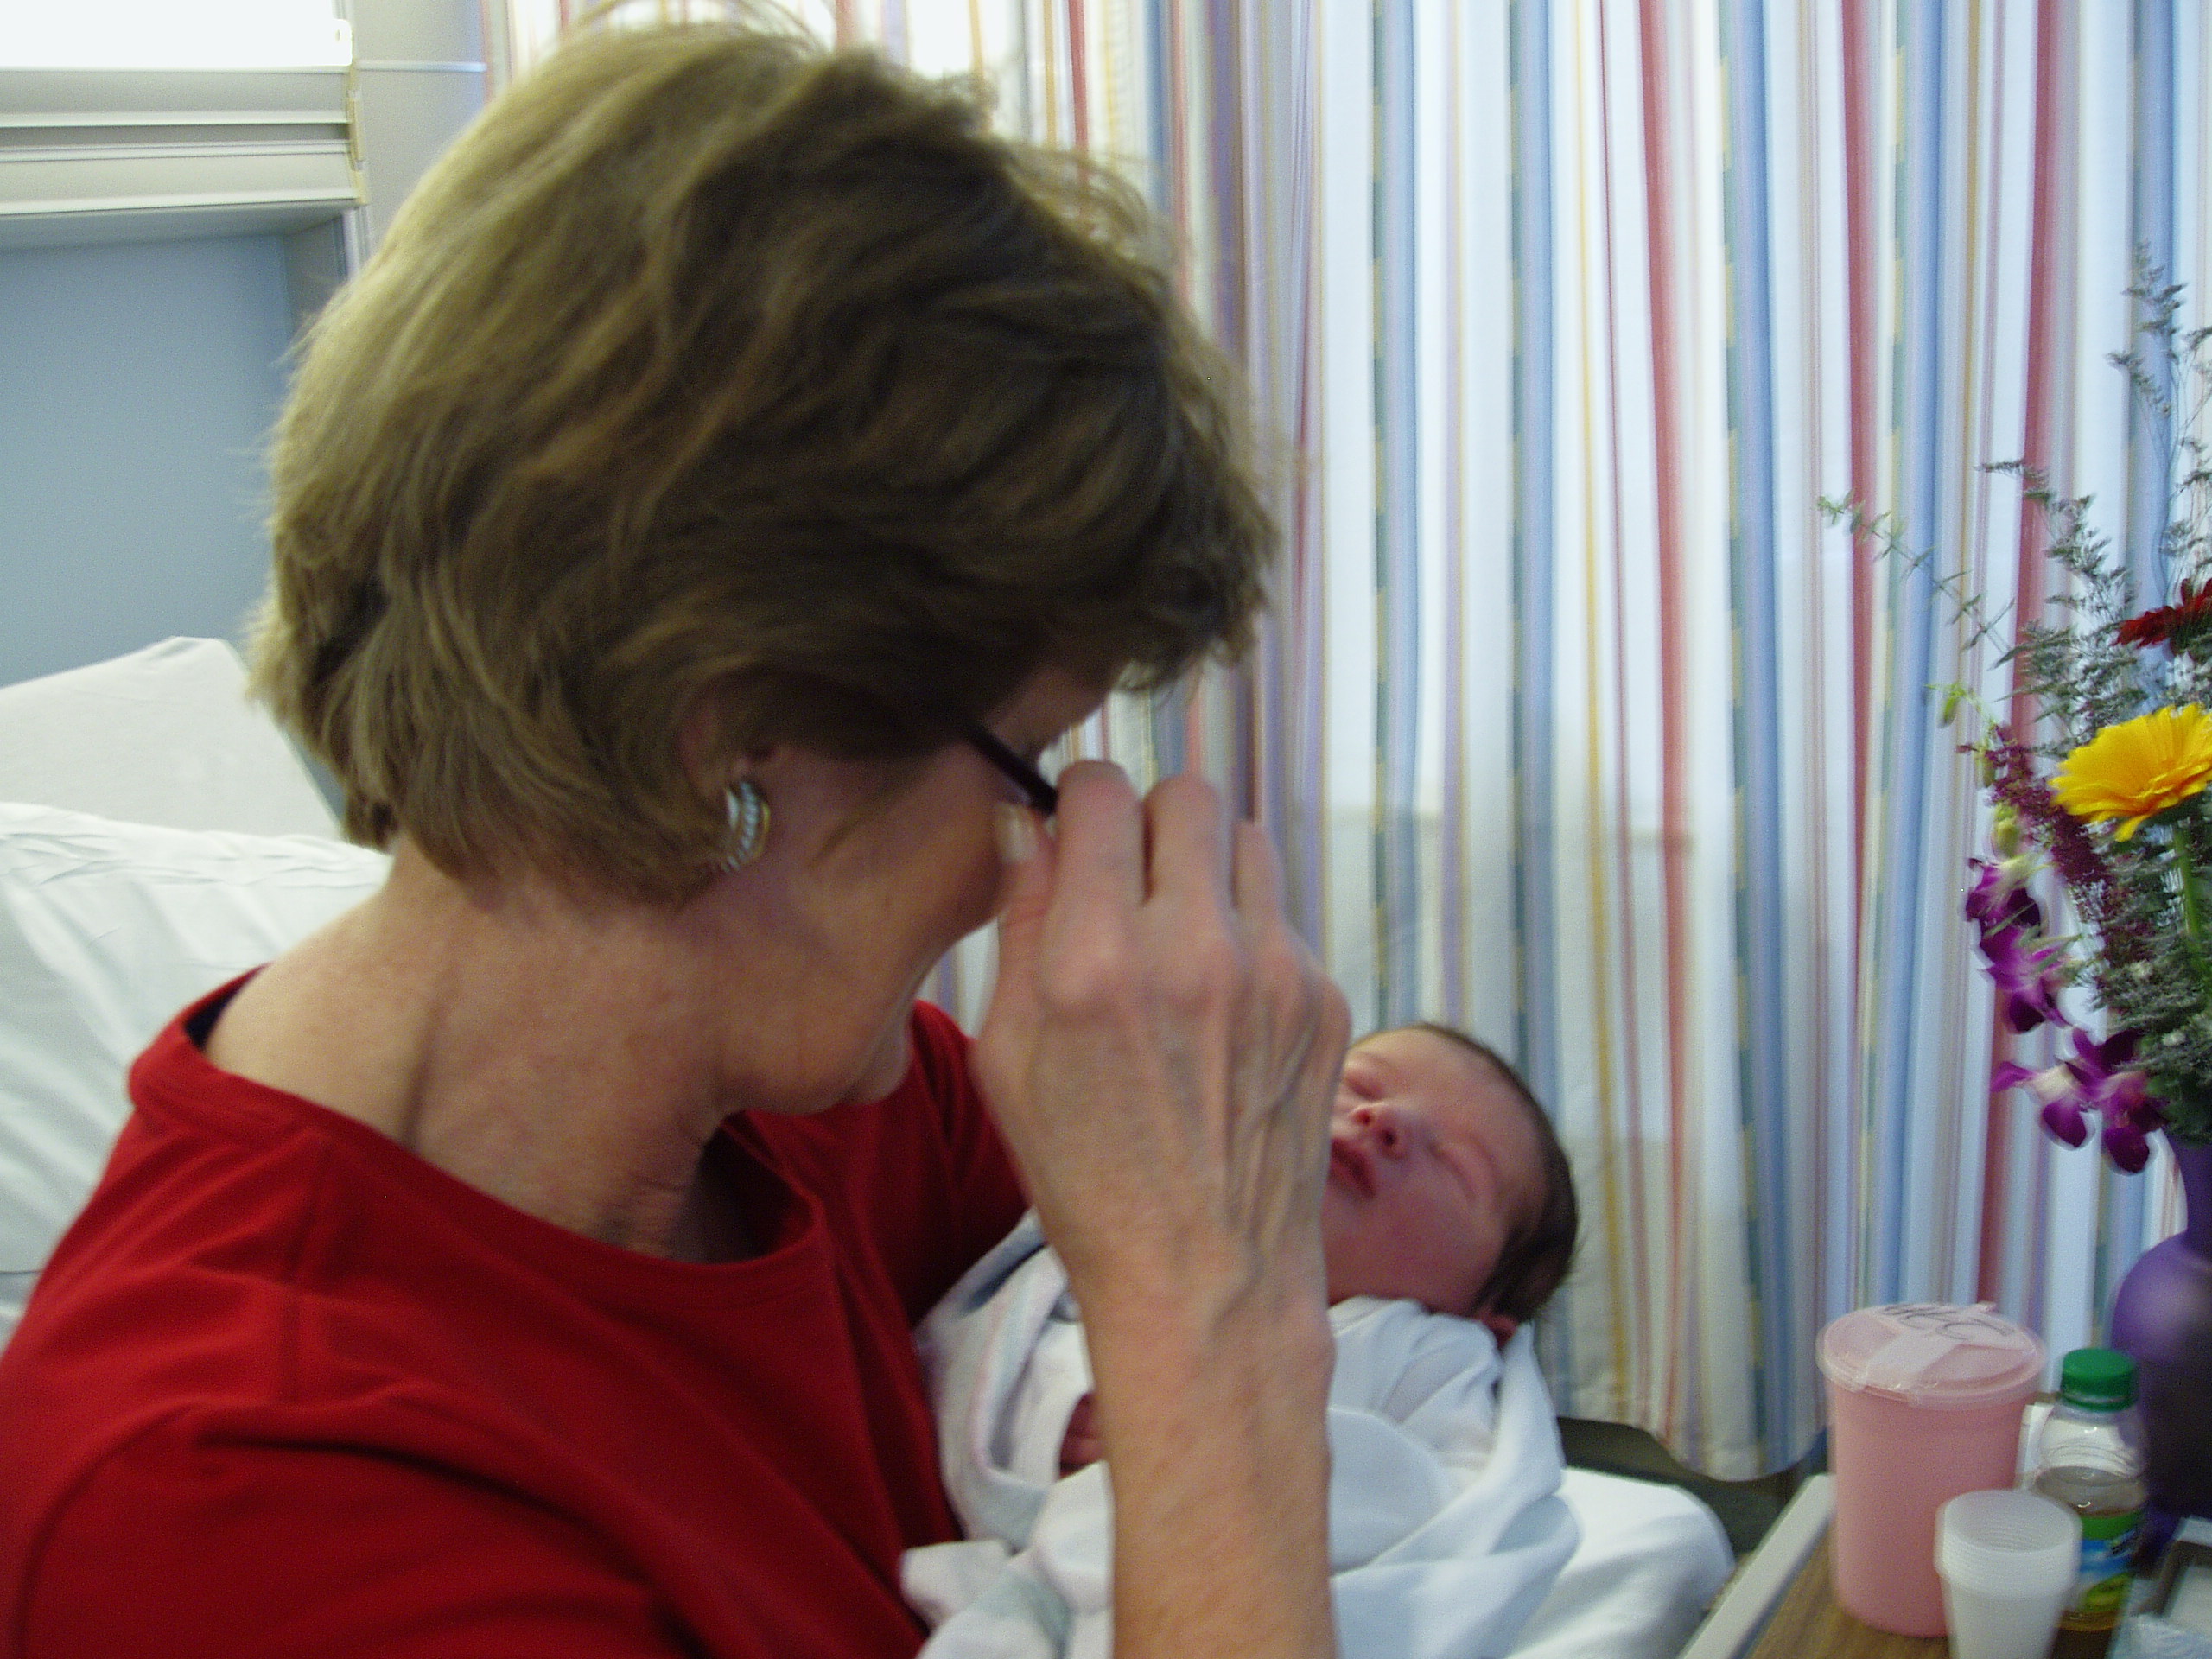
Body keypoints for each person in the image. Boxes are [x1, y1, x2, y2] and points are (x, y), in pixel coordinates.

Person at [0, 16, 1351, 1659]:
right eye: (1030, 764)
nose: (1031, 862)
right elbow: (1205, 1328)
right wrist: (1215, 1323)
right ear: (729, 745)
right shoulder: (237, 1507)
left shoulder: (832, 1111)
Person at [903, 1026, 1582, 1659]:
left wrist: (1224, 1442)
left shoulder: (1434, 1354)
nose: (1387, 1120)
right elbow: (985, 1353)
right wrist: (1057, 1417)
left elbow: (1453, 1529)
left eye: (1457, 1166)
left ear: (1484, 1315)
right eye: (1357, 1085)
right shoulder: (1143, 1239)